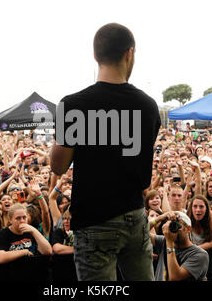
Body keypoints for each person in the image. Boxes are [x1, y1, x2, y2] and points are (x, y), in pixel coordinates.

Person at [50, 23, 160, 281]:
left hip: (93, 219)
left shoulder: (73, 105)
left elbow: (58, 166)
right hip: (134, 214)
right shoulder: (147, 105)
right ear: (129, 53)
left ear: (95, 55)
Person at [150, 211, 209, 281]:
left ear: (188, 229)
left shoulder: (200, 254)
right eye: (171, 225)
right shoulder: (164, 242)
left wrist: (169, 242)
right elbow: (140, 232)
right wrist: (159, 218)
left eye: (177, 225)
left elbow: (174, 277)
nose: (173, 230)